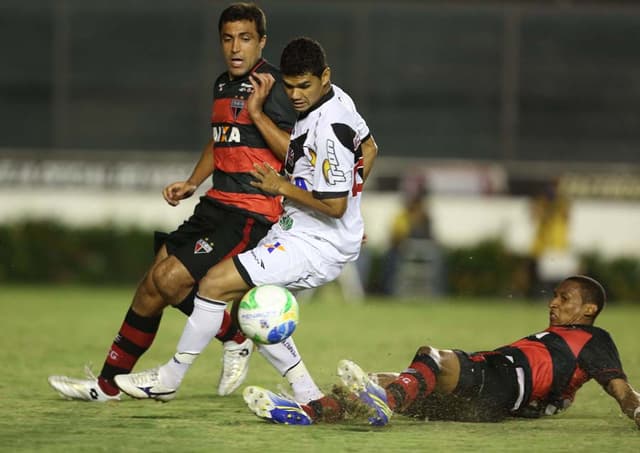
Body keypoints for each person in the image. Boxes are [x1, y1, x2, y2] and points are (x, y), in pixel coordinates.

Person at [47, 2, 297, 402]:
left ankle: (236, 339)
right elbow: (220, 141)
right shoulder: (222, 84)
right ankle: (108, 385)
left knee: (169, 279)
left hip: (250, 214)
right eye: (228, 38)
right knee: (151, 285)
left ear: (261, 42)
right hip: (215, 205)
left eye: (245, 39)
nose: (236, 47)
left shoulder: (276, 88)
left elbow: (297, 152)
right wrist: (192, 182)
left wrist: (259, 114)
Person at [112, 36, 376, 407]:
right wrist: (354, 213)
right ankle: (310, 396)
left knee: (215, 283)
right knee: (253, 309)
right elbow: (369, 147)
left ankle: (169, 378)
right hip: (302, 228)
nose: (296, 95)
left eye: (305, 86)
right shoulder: (336, 99)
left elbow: (332, 205)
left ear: (325, 76)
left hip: (316, 240)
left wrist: (285, 187)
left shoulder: (329, 126)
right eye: (290, 85)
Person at [243, 275, 640, 430]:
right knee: (376, 382)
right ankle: (309, 412)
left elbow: (622, 391)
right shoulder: (559, 337)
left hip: (505, 379)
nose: (554, 303)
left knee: (433, 356)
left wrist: (637, 411)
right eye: (554, 296)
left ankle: (386, 401)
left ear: (589, 309)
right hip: (490, 406)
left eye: (564, 298)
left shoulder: (594, 339)